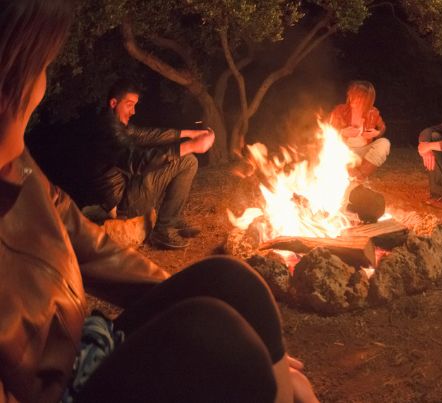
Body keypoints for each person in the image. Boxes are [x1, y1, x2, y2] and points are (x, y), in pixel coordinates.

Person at [0, 1, 317, 402]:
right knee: (218, 336)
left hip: (86, 349)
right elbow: (133, 153)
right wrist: (183, 147)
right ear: (11, 79)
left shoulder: (18, 167)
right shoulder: (104, 127)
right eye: (41, 66)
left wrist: (189, 292)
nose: (44, 85)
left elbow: (94, 250)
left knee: (229, 281)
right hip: (58, 390)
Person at [86, 79, 216, 250]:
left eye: (135, 106)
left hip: (127, 193)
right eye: (129, 105)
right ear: (113, 103)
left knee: (186, 159)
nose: (133, 111)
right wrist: (190, 146)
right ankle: (163, 230)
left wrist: (190, 134)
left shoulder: (116, 125)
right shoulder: (107, 131)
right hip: (123, 204)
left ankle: (171, 219)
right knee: (187, 160)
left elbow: (149, 135)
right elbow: (136, 162)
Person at [328, 80, 391, 181]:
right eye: (353, 96)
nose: (354, 100)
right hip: (343, 151)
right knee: (329, 146)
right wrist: (342, 132)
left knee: (384, 143)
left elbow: (382, 127)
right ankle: (354, 177)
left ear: (368, 100)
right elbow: (325, 132)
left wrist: (377, 133)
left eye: (360, 98)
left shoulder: (373, 112)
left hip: (364, 152)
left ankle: (359, 176)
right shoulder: (339, 110)